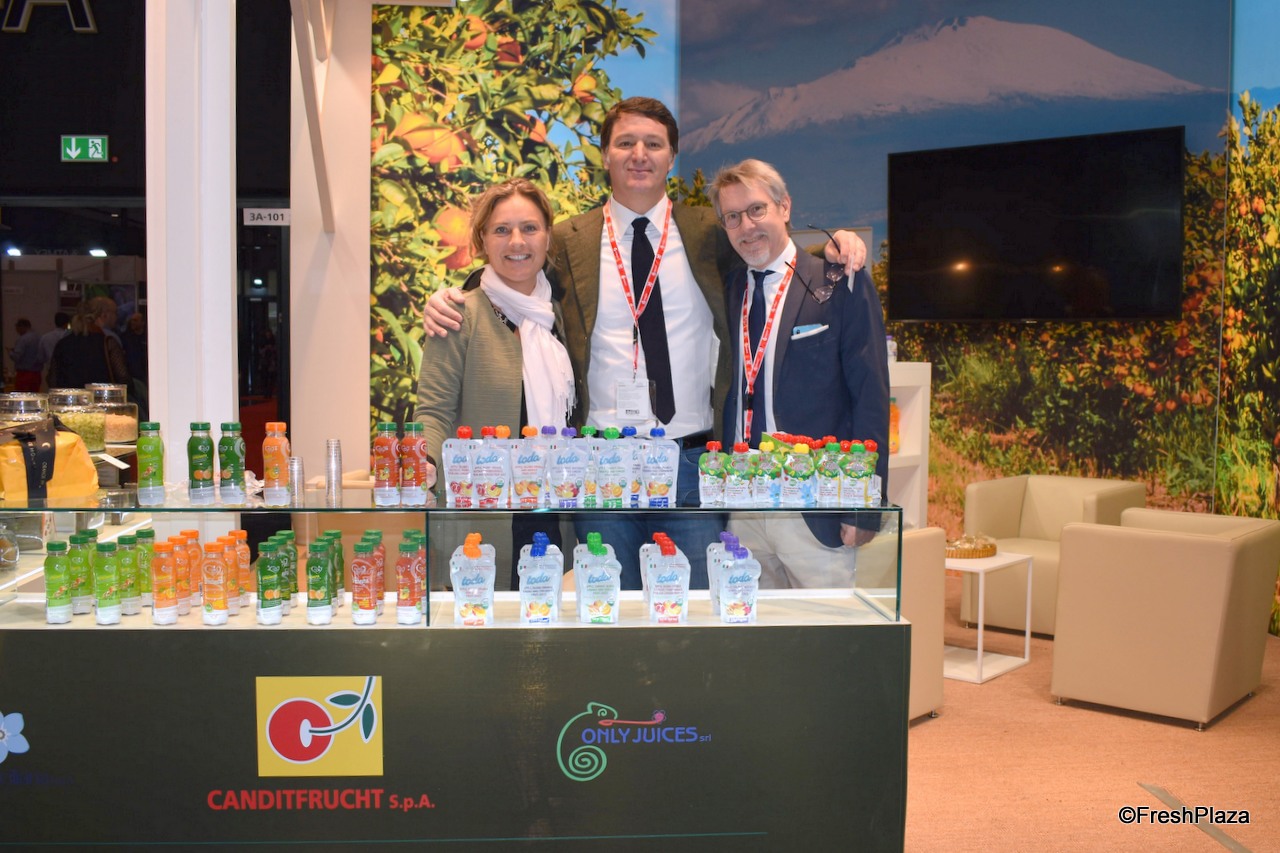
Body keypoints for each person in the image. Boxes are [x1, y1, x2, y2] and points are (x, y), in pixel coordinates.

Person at [424, 97, 868, 590]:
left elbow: (766, 253)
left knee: (695, 611)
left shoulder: (708, 232)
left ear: (671, 156)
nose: (639, 154)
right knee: (611, 612)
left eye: (653, 144)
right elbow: (515, 273)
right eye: (625, 143)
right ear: (605, 155)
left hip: (692, 463)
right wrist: (456, 295)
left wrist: (831, 248)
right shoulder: (570, 239)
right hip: (602, 467)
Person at [709, 159, 890, 588]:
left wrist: (864, 505)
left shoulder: (839, 281)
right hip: (742, 504)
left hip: (814, 505)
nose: (746, 226)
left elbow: (870, 395)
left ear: (784, 207)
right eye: (732, 217)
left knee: (824, 628)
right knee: (750, 626)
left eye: (757, 210)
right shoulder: (726, 291)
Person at [414, 178, 576, 586]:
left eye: (529, 228)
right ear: (482, 239)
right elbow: (433, 410)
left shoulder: (563, 317)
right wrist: (424, 462)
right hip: (481, 515)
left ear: (548, 236)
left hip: (552, 509)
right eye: (502, 229)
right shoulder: (458, 314)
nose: (516, 241)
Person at [47, 297, 131, 391]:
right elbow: (123, 377)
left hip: (71, 398)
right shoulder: (107, 341)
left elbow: (52, 380)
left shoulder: (63, 343)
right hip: (100, 397)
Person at [38, 312, 71, 389]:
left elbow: (40, 358)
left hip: (52, 371)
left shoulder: (45, 337)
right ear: (67, 323)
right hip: (68, 371)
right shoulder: (70, 337)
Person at [8, 318, 42, 391]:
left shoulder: (23, 339)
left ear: (22, 327)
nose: (17, 331)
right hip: (37, 373)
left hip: (24, 374)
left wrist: (10, 352)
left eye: (17, 328)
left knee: (22, 395)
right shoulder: (39, 338)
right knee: (34, 395)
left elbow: (16, 357)